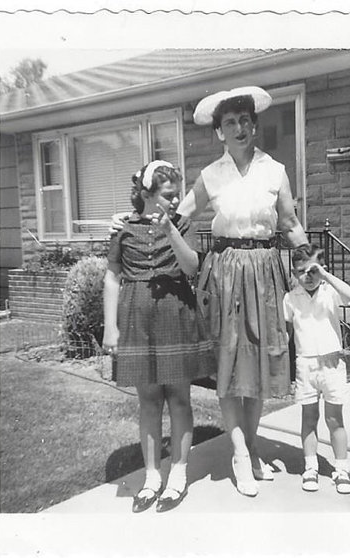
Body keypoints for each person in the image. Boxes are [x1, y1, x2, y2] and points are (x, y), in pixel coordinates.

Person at [112, 86, 308, 497]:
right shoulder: (211, 176)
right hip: (224, 275)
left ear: (254, 126)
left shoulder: (275, 170)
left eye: (245, 121)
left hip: (265, 271)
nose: (239, 128)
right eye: (230, 123)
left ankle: (251, 447)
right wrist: (129, 220)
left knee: (257, 364)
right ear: (219, 132)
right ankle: (240, 455)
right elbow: (174, 216)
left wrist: (307, 260)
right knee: (230, 365)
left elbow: (289, 223)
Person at [103, 161, 214, 513]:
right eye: (169, 194)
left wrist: (170, 231)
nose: (177, 198)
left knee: (179, 399)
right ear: (149, 194)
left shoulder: (182, 224)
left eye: (177, 192)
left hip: (175, 314)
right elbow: (111, 277)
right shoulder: (123, 229)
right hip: (137, 318)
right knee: (149, 401)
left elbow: (191, 267)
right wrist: (110, 326)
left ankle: (178, 475)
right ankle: (152, 478)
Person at [283, 244, 350, 494]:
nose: (309, 276)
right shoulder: (291, 298)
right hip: (305, 365)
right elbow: (286, 333)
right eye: (302, 271)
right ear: (294, 273)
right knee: (309, 418)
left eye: (313, 270)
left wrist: (325, 275)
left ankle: (342, 468)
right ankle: (310, 467)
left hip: (332, 363)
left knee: (335, 418)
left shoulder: (330, 292)